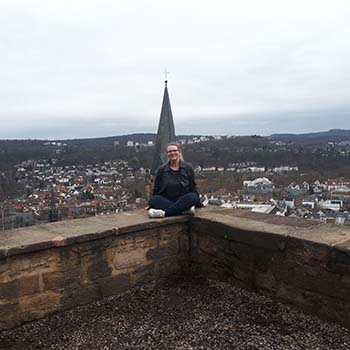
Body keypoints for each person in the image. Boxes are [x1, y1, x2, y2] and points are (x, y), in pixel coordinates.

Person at [148, 143, 202, 218]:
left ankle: (164, 213)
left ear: (179, 152)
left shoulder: (188, 168)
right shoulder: (162, 169)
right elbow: (156, 188)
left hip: (183, 198)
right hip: (166, 198)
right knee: (153, 200)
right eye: (169, 151)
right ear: (167, 154)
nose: (172, 153)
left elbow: (193, 187)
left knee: (192, 196)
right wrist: (151, 203)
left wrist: (198, 202)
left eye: (174, 150)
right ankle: (184, 210)